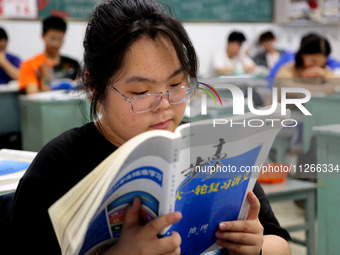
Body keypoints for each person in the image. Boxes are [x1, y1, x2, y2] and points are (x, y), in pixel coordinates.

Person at [8, 1, 290, 255]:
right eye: (141, 92)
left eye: (176, 85)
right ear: (94, 86)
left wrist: (258, 246)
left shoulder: (212, 146)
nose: (165, 106)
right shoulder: (59, 166)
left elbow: (281, 244)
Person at [18, 16, 80, 94]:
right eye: (52, 39)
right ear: (43, 36)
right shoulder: (30, 65)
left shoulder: (73, 64)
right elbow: (32, 93)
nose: (56, 44)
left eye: (60, 39)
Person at [266, 33, 340, 88]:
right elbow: (289, 90)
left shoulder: (322, 71)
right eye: (313, 61)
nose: (316, 66)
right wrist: (326, 89)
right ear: (302, 55)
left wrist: (325, 74)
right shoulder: (288, 69)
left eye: (321, 63)